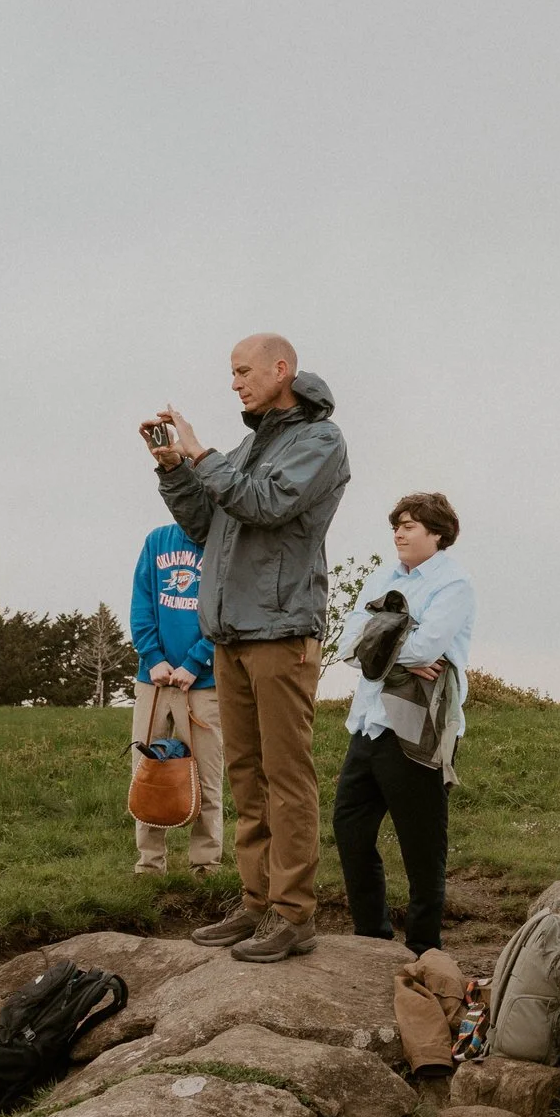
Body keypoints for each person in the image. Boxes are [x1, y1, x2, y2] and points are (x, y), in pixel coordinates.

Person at [147, 334, 350, 963]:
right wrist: (174, 470)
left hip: (282, 630)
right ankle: (258, 902)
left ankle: (295, 914)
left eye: (242, 371)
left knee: (287, 776)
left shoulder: (320, 441)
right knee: (245, 773)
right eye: (230, 373)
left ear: (280, 369)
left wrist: (202, 453)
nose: (234, 383)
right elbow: (210, 527)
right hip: (231, 633)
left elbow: (263, 504)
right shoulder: (249, 444)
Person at [336, 492, 476, 957]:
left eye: (411, 525)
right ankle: (371, 938)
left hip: (417, 726)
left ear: (437, 533)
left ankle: (423, 947)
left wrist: (387, 641)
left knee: (422, 844)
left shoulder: (454, 584)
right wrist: (401, 643)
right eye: (397, 524)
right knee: (350, 829)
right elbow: (347, 646)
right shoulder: (382, 576)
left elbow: (427, 647)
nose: (399, 532)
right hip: (369, 723)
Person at [128, 520, 223, 876]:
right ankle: (150, 865)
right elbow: (142, 603)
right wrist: (153, 658)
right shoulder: (156, 541)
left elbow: (225, 611)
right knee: (148, 772)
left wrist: (196, 661)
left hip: (203, 682)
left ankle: (205, 866)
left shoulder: (223, 540)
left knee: (206, 775)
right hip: (153, 680)